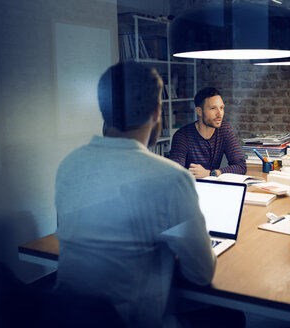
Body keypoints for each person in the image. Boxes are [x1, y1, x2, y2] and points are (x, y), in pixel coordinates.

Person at [54, 62, 218, 327]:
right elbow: (201, 273)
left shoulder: (68, 164)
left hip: (65, 316)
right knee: (228, 316)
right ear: (156, 111)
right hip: (128, 321)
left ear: (103, 108)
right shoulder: (171, 178)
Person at [169, 87, 247, 178]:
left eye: (221, 108)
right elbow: (175, 173)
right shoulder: (182, 136)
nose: (219, 114)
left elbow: (241, 166)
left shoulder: (224, 129)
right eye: (213, 108)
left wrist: (210, 173)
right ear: (199, 111)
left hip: (212, 186)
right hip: (190, 187)